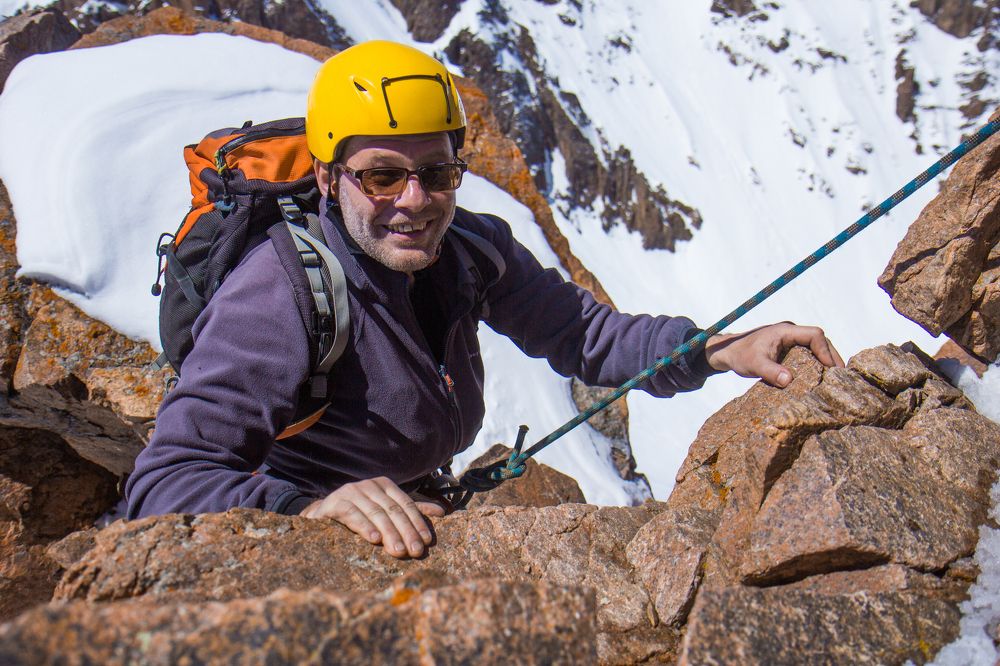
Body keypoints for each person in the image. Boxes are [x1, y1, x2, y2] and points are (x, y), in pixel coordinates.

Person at [125, 40, 844, 559]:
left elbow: (584, 336)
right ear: (327, 177)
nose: (415, 201)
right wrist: (306, 508)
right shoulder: (281, 295)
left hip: (415, 500)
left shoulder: (470, 247)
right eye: (381, 176)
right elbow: (165, 483)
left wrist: (717, 348)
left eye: (436, 172)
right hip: (311, 531)